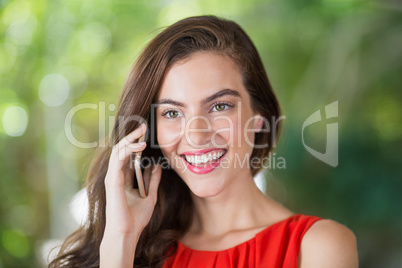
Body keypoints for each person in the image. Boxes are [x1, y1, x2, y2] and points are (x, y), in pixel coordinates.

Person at [49, 15, 358, 268]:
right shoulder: (136, 247)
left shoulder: (318, 247)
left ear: (260, 116)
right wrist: (121, 238)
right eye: (172, 112)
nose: (196, 135)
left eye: (220, 106)